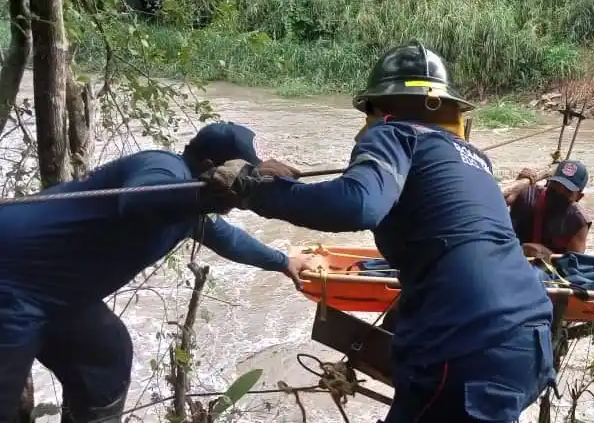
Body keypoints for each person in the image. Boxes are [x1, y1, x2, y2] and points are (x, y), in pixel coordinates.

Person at [199, 41, 556, 423]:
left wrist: (257, 190)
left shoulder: (394, 133)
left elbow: (357, 204)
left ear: (379, 108)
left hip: (469, 345)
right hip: (530, 336)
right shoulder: (475, 160)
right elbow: (449, 252)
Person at [0, 122, 318, 423]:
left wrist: (283, 261)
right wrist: (211, 193)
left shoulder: (190, 211)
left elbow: (231, 239)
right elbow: (138, 200)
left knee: (106, 359)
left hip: (55, 292)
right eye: (237, 176)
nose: (238, 193)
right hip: (12, 281)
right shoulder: (163, 167)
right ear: (210, 166)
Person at [506, 160, 591, 259]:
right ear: (548, 182)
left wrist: (547, 255)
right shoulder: (526, 195)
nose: (559, 192)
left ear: (578, 197)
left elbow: (574, 265)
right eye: (556, 184)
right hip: (510, 259)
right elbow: (495, 205)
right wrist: (517, 186)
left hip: (550, 271)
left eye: (567, 191)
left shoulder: (578, 221)